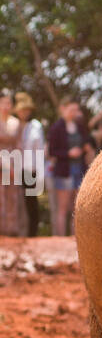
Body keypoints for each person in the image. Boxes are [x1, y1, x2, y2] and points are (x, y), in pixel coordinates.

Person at [47, 94, 95, 235]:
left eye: (76, 110)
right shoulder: (56, 128)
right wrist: (68, 153)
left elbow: (87, 141)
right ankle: (60, 238)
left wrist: (86, 147)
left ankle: (76, 238)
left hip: (79, 169)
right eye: (71, 109)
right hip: (64, 171)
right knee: (63, 208)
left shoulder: (79, 126)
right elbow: (52, 151)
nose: (74, 113)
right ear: (63, 109)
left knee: (77, 207)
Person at [17, 93, 46, 237]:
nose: (24, 112)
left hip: (31, 169)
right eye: (22, 110)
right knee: (19, 201)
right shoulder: (15, 125)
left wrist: (41, 172)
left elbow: (39, 149)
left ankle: (32, 233)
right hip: (16, 167)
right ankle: (21, 231)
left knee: (31, 201)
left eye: (27, 109)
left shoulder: (36, 126)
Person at [0, 88, 24, 236]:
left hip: (12, 163)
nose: (6, 106)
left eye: (8, 103)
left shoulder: (16, 123)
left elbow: (19, 145)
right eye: (3, 102)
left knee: (12, 198)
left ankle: (11, 231)